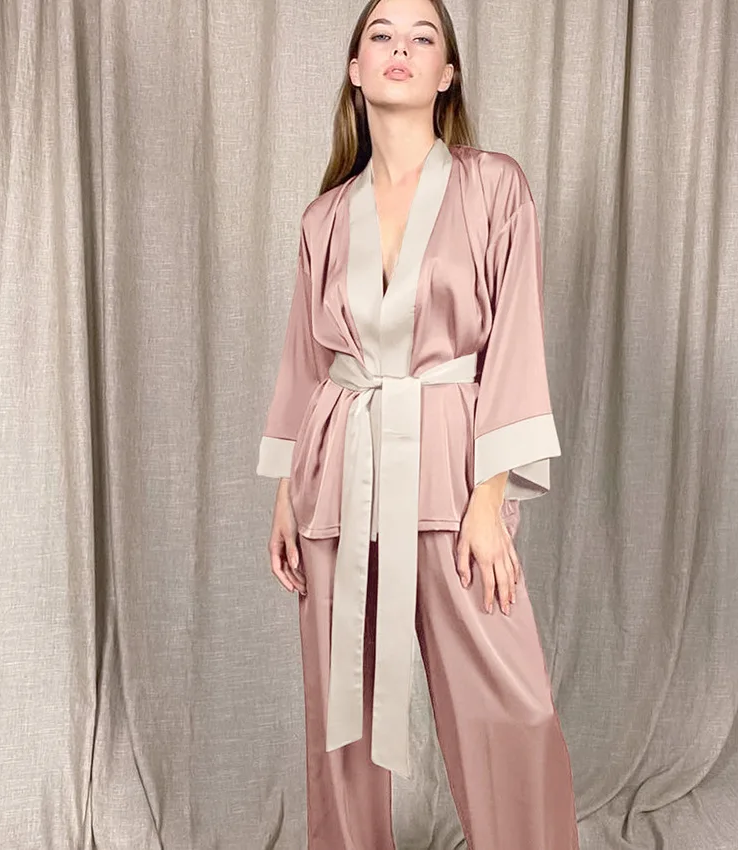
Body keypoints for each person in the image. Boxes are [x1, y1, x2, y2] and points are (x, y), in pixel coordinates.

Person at [257, 0, 580, 846]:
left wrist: (489, 499)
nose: (400, 48)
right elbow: (305, 363)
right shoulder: (325, 218)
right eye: (381, 35)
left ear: (447, 74)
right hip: (337, 472)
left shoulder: (494, 186)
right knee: (340, 717)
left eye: (422, 37)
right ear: (355, 69)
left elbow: (514, 342)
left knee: (510, 706)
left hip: (450, 469)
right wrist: (286, 493)